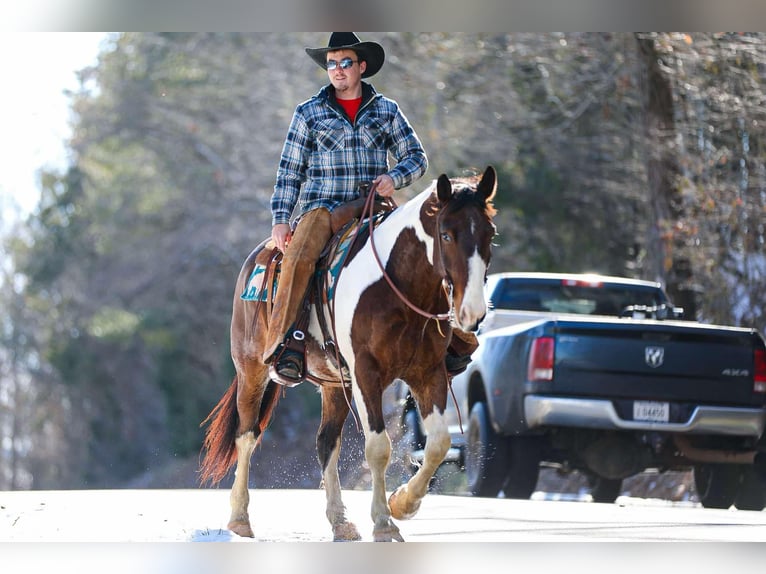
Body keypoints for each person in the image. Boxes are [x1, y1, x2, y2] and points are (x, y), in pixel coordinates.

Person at [263, 32, 476, 382]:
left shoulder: (386, 110)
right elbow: (290, 172)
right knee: (300, 258)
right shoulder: (308, 113)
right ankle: (286, 344)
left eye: (345, 63)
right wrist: (281, 220)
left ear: (361, 67)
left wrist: (395, 177)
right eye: (331, 64)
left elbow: (416, 158)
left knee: (425, 252)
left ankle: (454, 339)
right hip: (323, 208)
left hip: (374, 206)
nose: (337, 70)